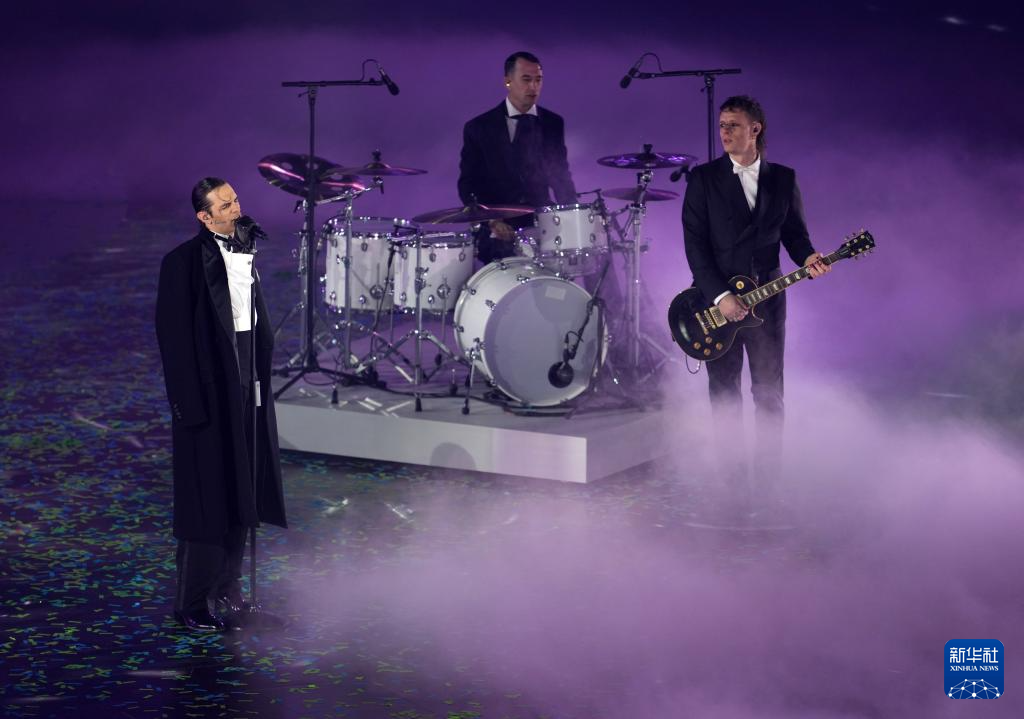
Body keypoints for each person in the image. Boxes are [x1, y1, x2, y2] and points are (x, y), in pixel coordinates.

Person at [682, 96, 830, 510]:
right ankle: (731, 486)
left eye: (733, 125)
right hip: (716, 304)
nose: (724, 132)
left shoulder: (783, 178)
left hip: (768, 300)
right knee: (724, 393)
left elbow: (795, 235)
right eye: (722, 125)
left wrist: (808, 257)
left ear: (755, 129)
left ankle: (767, 487)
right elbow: (695, 247)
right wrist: (721, 297)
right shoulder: (703, 179)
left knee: (768, 393)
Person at [155, 178, 287, 632]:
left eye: (235, 201)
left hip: (245, 380)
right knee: (207, 501)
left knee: (242, 493)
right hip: (208, 396)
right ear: (204, 216)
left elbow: (250, 323)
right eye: (225, 205)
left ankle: (229, 593)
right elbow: (174, 340)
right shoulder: (181, 263)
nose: (236, 209)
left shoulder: (246, 251)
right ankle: (191, 603)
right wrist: (188, 408)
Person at [458, 51, 577, 264]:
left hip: (541, 221)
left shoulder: (553, 123)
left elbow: (561, 176)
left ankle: (603, 289)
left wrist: (573, 217)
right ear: (508, 81)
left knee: (593, 249)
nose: (533, 87)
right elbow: (467, 184)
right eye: (526, 79)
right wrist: (491, 220)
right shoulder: (479, 127)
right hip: (498, 224)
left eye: (538, 80)